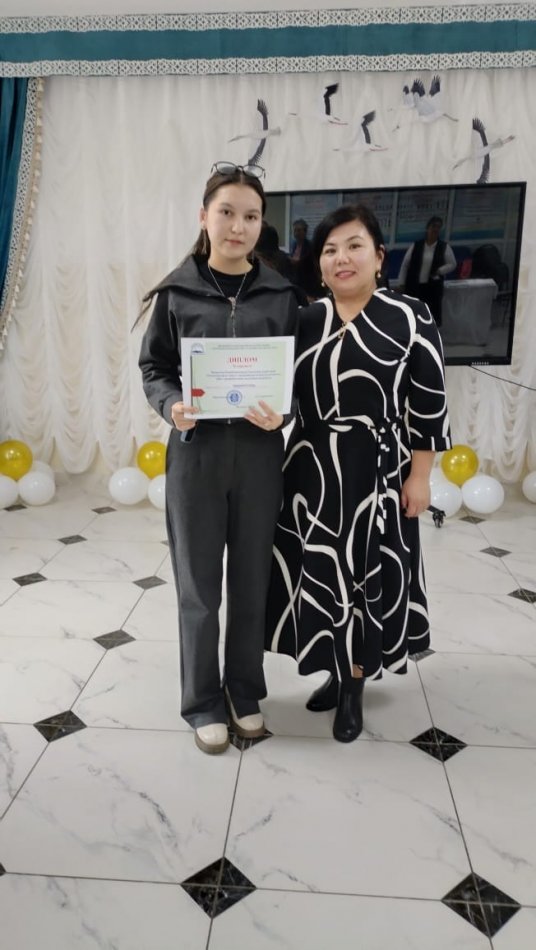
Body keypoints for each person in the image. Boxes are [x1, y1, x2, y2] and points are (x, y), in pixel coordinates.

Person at [265, 204, 451, 743]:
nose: (341, 258)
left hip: (380, 470)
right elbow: (283, 396)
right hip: (311, 471)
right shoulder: (305, 321)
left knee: (368, 578)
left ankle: (354, 685)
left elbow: (429, 404)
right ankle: (332, 667)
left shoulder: (410, 315)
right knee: (320, 573)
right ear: (319, 264)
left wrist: (420, 477)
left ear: (378, 257)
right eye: (330, 250)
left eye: (353, 246)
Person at [139, 162, 299, 755]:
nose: (238, 226)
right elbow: (154, 367)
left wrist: (284, 414)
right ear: (203, 217)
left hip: (259, 458)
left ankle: (244, 691)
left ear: (262, 224)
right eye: (226, 212)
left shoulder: (282, 295)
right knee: (199, 587)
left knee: (252, 581)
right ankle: (203, 700)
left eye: (251, 216)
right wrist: (172, 404)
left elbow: (300, 378)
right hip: (197, 457)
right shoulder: (177, 292)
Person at [397, 216, 456, 326]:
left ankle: (429, 333)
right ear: (427, 228)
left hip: (432, 287)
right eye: (433, 226)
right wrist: (401, 282)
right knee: (413, 313)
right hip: (415, 286)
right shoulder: (417, 245)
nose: (435, 230)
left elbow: (452, 264)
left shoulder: (443, 247)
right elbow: (405, 264)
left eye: (438, 227)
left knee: (430, 314)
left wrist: (440, 270)